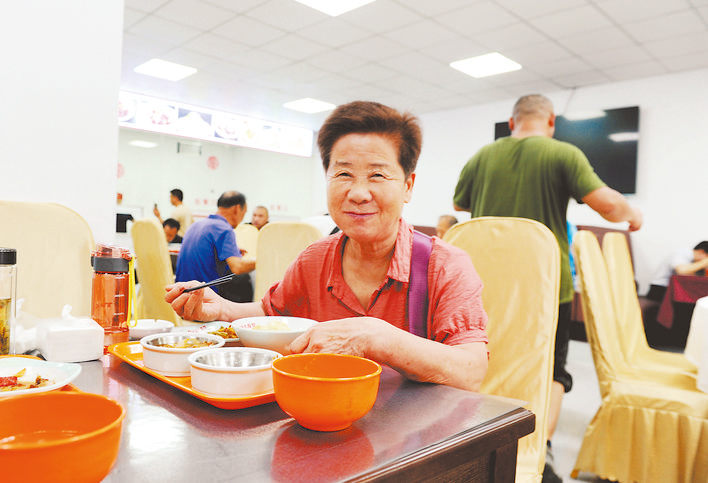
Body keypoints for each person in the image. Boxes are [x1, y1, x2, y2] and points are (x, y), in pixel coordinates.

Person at [166, 101, 489, 391]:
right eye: (344, 173)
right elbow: (273, 312)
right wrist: (222, 308)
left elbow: (471, 371)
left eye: (377, 175)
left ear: (408, 185)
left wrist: (377, 337)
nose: (358, 193)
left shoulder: (444, 265)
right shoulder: (315, 257)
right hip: (320, 423)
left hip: (416, 443)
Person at [453, 94, 643, 483]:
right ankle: (539, 450)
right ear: (551, 122)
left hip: (481, 282)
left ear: (511, 123)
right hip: (545, 287)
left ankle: (479, 442)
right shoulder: (563, 153)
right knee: (551, 370)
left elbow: (459, 206)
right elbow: (607, 206)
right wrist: (632, 214)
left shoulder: (482, 156)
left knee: (488, 361)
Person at [175, 191, 256, 303]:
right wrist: (262, 261)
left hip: (180, 300)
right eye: (244, 212)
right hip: (202, 303)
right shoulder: (224, 228)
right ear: (237, 209)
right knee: (247, 278)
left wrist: (232, 251)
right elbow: (238, 267)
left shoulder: (196, 225)